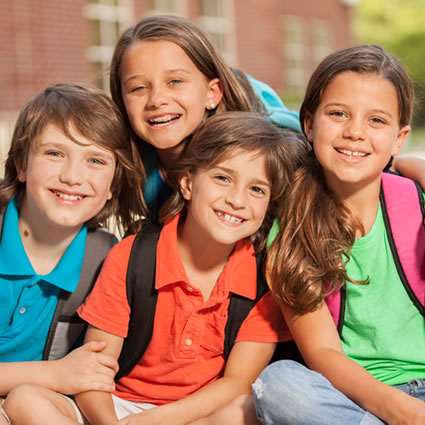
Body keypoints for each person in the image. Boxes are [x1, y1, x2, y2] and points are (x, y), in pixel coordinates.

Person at [4, 111, 295, 425]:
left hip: (194, 416)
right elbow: (93, 371)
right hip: (116, 408)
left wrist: (157, 421)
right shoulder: (133, 256)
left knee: (246, 410)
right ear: (187, 183)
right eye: (222, 178)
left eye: (257, 190)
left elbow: (236, 384)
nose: (237, 200)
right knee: (25, 398)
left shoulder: (264, 280)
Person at [251, 45, 425, 425]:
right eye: (338, 114)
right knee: (277, 385)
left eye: (377, 121)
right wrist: (404, 412)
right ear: (309, 124)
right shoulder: (294, 226)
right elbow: (323, 354)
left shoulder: (418, 201)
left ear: (400, 137)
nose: (355, 132)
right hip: (353, 398)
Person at [0, 83, 147, 425]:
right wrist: (55, 373)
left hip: (38, 405)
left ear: (113, 185)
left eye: (95, 160)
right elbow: (68, 374)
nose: (71, 176)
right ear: (21, 164)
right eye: (54, 153)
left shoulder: (108, 260)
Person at [109, 14, 301, 220]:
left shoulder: (270, 161)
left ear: (212, 93)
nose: (156, 100)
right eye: (138, 88)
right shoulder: (129, 171)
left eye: (174, 81)